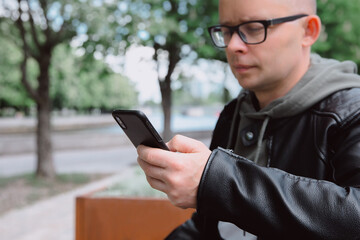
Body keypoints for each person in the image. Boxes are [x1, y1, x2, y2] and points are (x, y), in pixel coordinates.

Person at [137, 0, 360, 238]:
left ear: (308, 31)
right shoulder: (233, 114)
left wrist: (216, 182)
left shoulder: (350, 112)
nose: (233, 46)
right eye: (226, 30)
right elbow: (211, 226)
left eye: (254, 28)